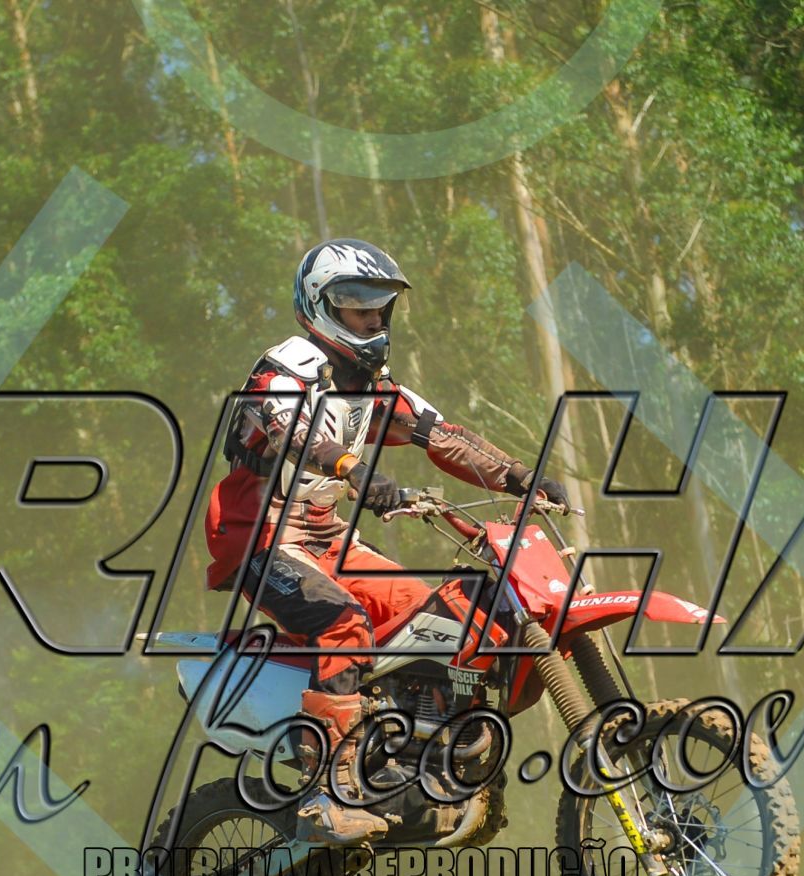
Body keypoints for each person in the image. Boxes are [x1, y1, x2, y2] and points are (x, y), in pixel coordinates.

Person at [205, 238, 566, 843]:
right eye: (357, 303)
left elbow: (443, 436)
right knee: (343, 622)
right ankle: (327, 792)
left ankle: (421, 763)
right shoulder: (287, 366)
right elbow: (287, 429)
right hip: (258, 536)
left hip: (324, 533)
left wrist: (519, 476)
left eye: (379, 305)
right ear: (321, 305)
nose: (373, 317)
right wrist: (352, 469)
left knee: (434, 620)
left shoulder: (372, 384)